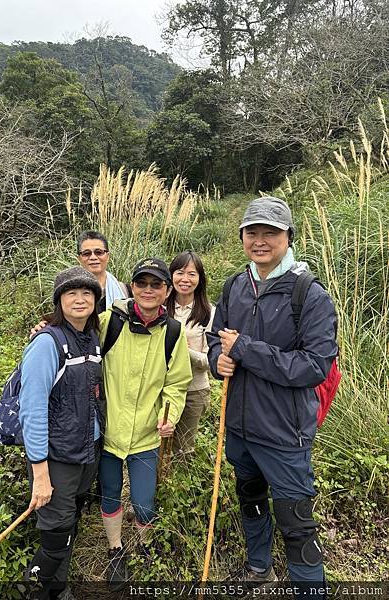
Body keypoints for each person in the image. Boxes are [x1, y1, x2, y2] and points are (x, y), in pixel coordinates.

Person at [207, 197, 338, 593]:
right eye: (252, 232)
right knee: (251, 501)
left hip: (284, 434)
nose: (260, 241)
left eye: (270, 233)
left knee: (296, 524)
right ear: (242, 237)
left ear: (287, 237)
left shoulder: (309, 293)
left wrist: (245, 350)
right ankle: (259, 568)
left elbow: (315, 366)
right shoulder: (234, 285)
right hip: (240, 428)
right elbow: (217, 337)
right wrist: (218, 361)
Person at [98, 257, 192, 588]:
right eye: (142, 283)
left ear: (167, 291)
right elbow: (75, 332)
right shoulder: (109, 321)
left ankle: (144, 547)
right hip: (109, 431)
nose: (148, 290)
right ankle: (115, 551)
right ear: (132, 287)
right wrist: (47, 326)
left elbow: (177, 383)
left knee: (143, 501)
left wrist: (169, 416)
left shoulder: (173, 333)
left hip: (147, 435)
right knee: (110, 494)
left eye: (156, 284)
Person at [20, 266, 105, 600]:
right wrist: (40, 472)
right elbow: (34, 408)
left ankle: (59, 589)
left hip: (87, 451)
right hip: (56, 458)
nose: (80, 299)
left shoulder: (93, 338)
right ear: (59, 301)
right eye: (71, 293)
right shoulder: (47, 343)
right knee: (55, 540)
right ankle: (32, 590)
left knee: (69, 527)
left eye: (87, 293)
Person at [166, 251, 215, 455]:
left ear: (200, 279)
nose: (185, 279)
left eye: (192, 274)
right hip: (162, 387)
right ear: (171, 276)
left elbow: (209, 361)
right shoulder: (160, 307)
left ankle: (177, 486)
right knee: (156, 444)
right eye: (179, 272)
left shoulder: (209, 313)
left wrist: (183, 350)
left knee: (182, 449)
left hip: (193, 390)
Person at [76, 230, 130, 312]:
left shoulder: (125, 291)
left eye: (99, 252)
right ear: (79, 258)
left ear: (108, 256)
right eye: (86, 253)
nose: (93, 257)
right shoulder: (70, 293)